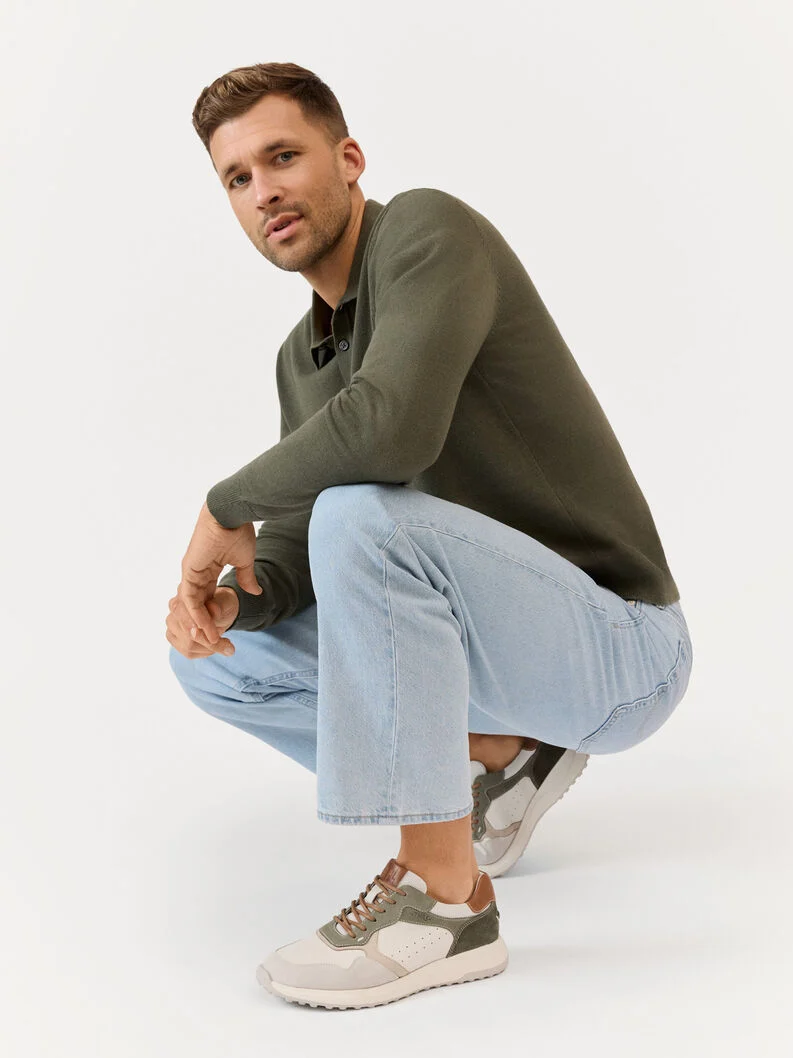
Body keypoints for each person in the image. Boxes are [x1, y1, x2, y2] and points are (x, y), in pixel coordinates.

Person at [166, 61, 694, 1010]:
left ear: (348, 158)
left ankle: (445, 899)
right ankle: (495, 755)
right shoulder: (301, 358)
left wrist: (222, 504)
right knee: (214, 662)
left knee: (362, 517)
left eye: (282, 157)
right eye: (237, 178)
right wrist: (233, 600)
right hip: (491, 649)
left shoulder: (425, 231)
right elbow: (298, 551)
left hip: (620, 649)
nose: (263, 191)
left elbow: (391, 430)